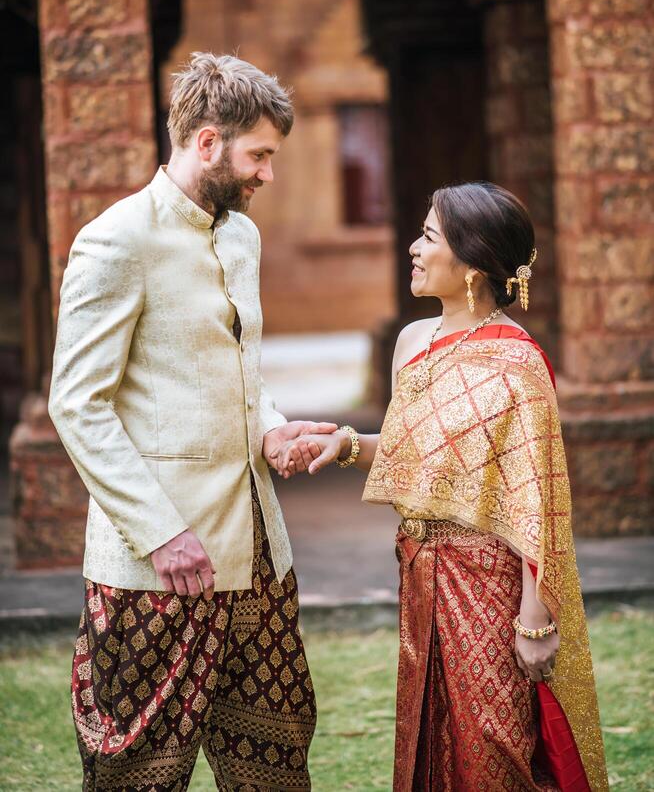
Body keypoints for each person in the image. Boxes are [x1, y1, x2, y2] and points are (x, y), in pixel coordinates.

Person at [48, 52, 335, 791]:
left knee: (275, 758)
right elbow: (77, 403)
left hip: (259, 553)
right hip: (157, 565)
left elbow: (242, 369)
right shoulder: (117, 240)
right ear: (207, 142)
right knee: (137, 769)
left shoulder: (242, 236)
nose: (267, 174)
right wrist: (160, 531)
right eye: (260, 155)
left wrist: (270, 428)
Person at [273, 182, 609, 792]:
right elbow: (417, 453)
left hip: (489, 583)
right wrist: (346, 445)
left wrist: (535, 620)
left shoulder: (518, 364)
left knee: (494, 747)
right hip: (421, 571)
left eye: (429, 237)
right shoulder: (412, 343)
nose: (413, 248)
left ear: (474, 267)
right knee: (430, 742)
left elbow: (540, 500)